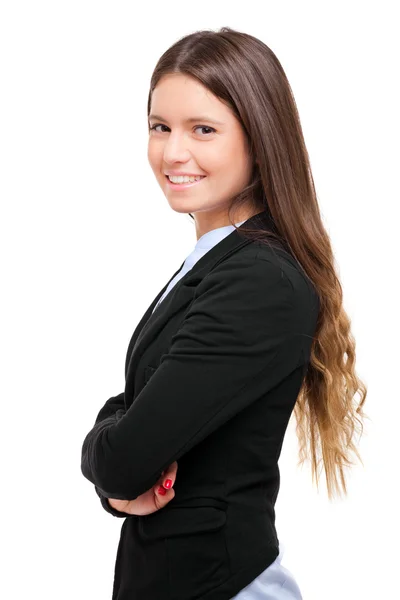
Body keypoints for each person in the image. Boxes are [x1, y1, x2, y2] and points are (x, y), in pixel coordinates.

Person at [80, 27, 368, 600]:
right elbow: (133, 429)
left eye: (203, 130)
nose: (172, 152)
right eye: (160, 127)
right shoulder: (218, 262)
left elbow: (124, 454)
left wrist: (106, 456)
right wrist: (118, 466)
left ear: (259, 140)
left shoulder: (258, 281)